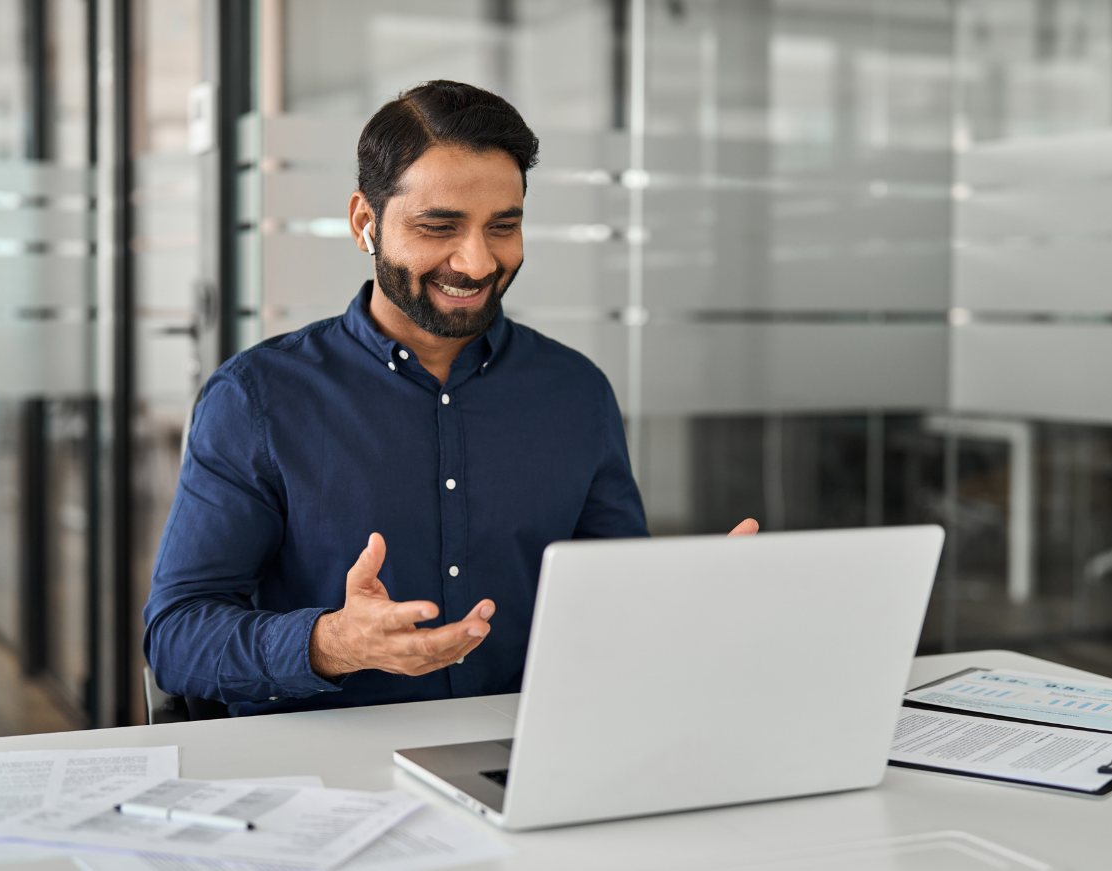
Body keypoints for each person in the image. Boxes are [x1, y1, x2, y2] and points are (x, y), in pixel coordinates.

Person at [144, 80, 756, 716]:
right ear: (365, 222)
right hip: (328, 767)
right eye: (439, 227)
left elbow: (616, 602)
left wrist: (691, 599)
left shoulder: (576, 392)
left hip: (520, 753)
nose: (476, 262)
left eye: (504, 226)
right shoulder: (257, 398)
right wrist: (329, 644)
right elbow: (176, 636)